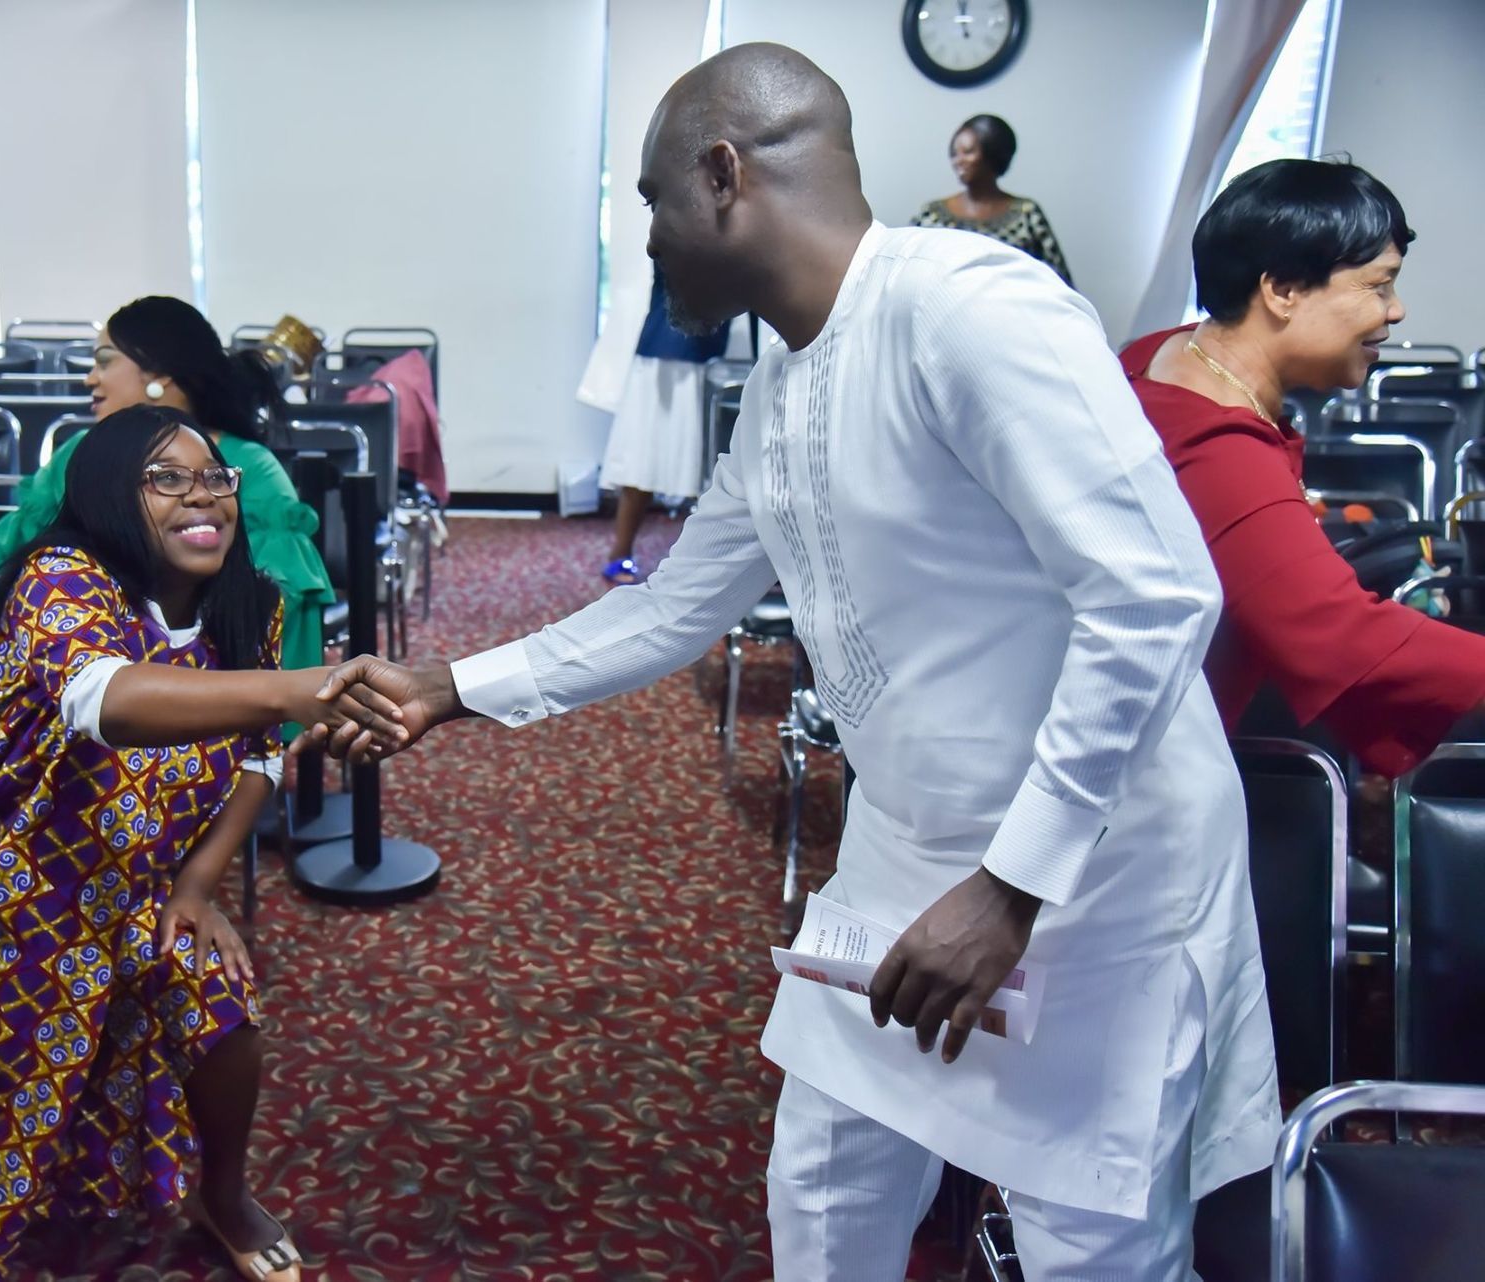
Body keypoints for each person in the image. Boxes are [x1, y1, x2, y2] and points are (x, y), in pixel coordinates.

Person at [305, 44, 1276, 1280]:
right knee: (821, 1185)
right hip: (906, 842)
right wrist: (451, 687)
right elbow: (668, 610)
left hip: (1091, 869)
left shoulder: (971, 306)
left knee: (1090, 1246)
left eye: (653, 202)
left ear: (724, 174)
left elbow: (1157, 593)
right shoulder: (778, 382)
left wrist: (1012, 884)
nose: (649, 241)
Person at [0, 404, 399, 1278]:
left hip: (135, 881)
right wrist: (293, 689)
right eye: (166, 479)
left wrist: (198, 885)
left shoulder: (253, 608)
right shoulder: (59, 579)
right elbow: (105, 700)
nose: (203, 498)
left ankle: (225, 1192)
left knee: (222, 998)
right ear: (110, 497)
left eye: (215, 479)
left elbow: (256, 763)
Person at [1124, 158, 1485, 778]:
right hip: (1148, 783)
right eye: (1378, 285)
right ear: (1283, 290)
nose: (1395, 311)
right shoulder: (1218, 445)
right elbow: (1337, 636)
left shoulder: (1161, 356)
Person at [0, 296, 333, 678]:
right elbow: (2, 565)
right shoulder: (80, 456)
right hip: (84, 676)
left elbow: (275, 609)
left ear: (159, 372)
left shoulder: (250, 468)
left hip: (197, 687)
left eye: (105, 360)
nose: (91, 377)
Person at [597, 268, 730, 583]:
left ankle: (697, 565)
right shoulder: (679, 222)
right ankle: (621, 552)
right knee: (643, 459)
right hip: (666, 355)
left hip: (709, 356)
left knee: (713, 469)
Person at [913, 113, 1070, 285]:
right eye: (954, 153)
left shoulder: (1026, 214)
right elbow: (904, 273)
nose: (958, 161)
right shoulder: (932, 215)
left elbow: (1059, 281)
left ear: (992, 153)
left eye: (968, 152)